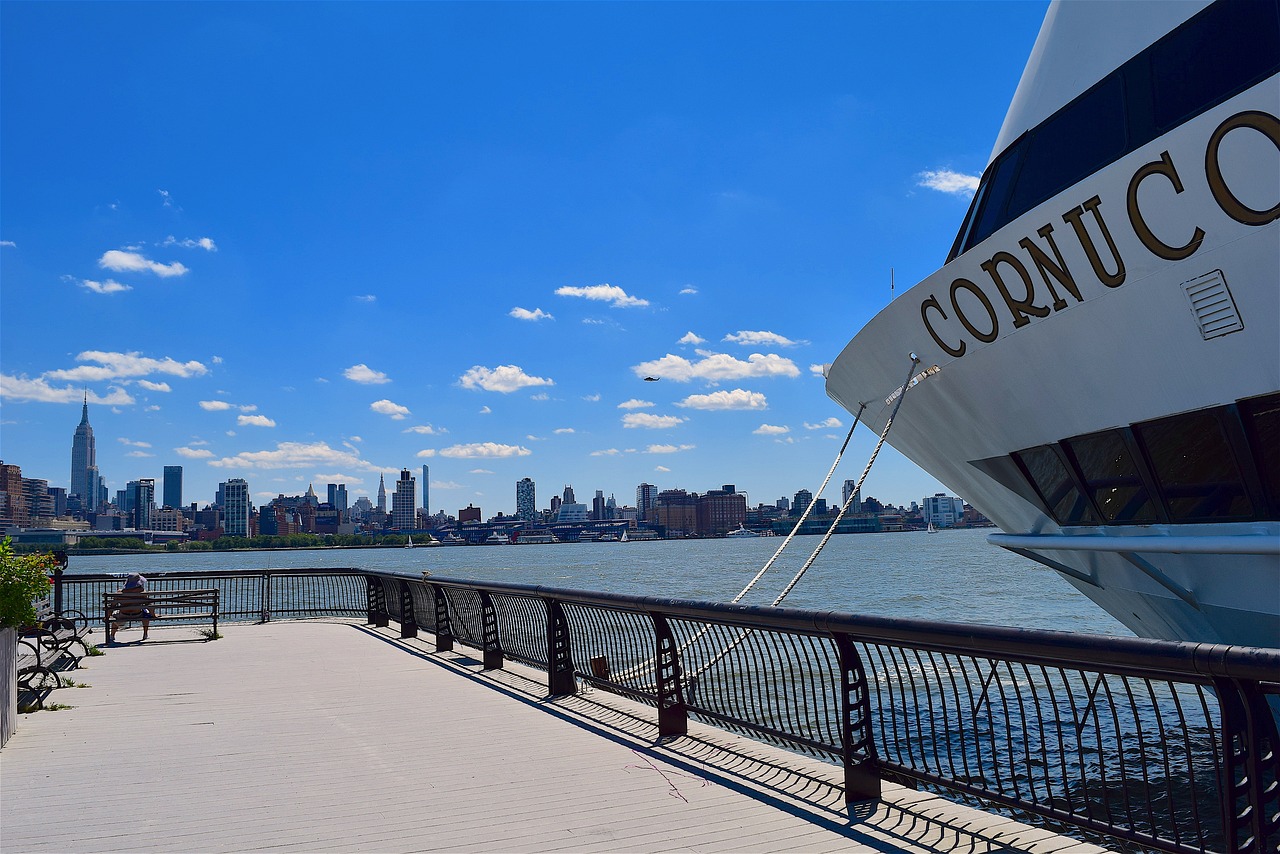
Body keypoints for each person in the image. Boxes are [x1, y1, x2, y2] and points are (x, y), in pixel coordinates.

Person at [108, 573, 155, 642]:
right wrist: (153, 615)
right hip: (138, 614)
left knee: (115, 615)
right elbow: (149, 605)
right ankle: (145, 634)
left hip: (123, 615)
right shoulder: (142, 592)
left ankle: (112, 636)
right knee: (146, 614)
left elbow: (112, 607)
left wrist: (107, 617)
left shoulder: (119, 593)